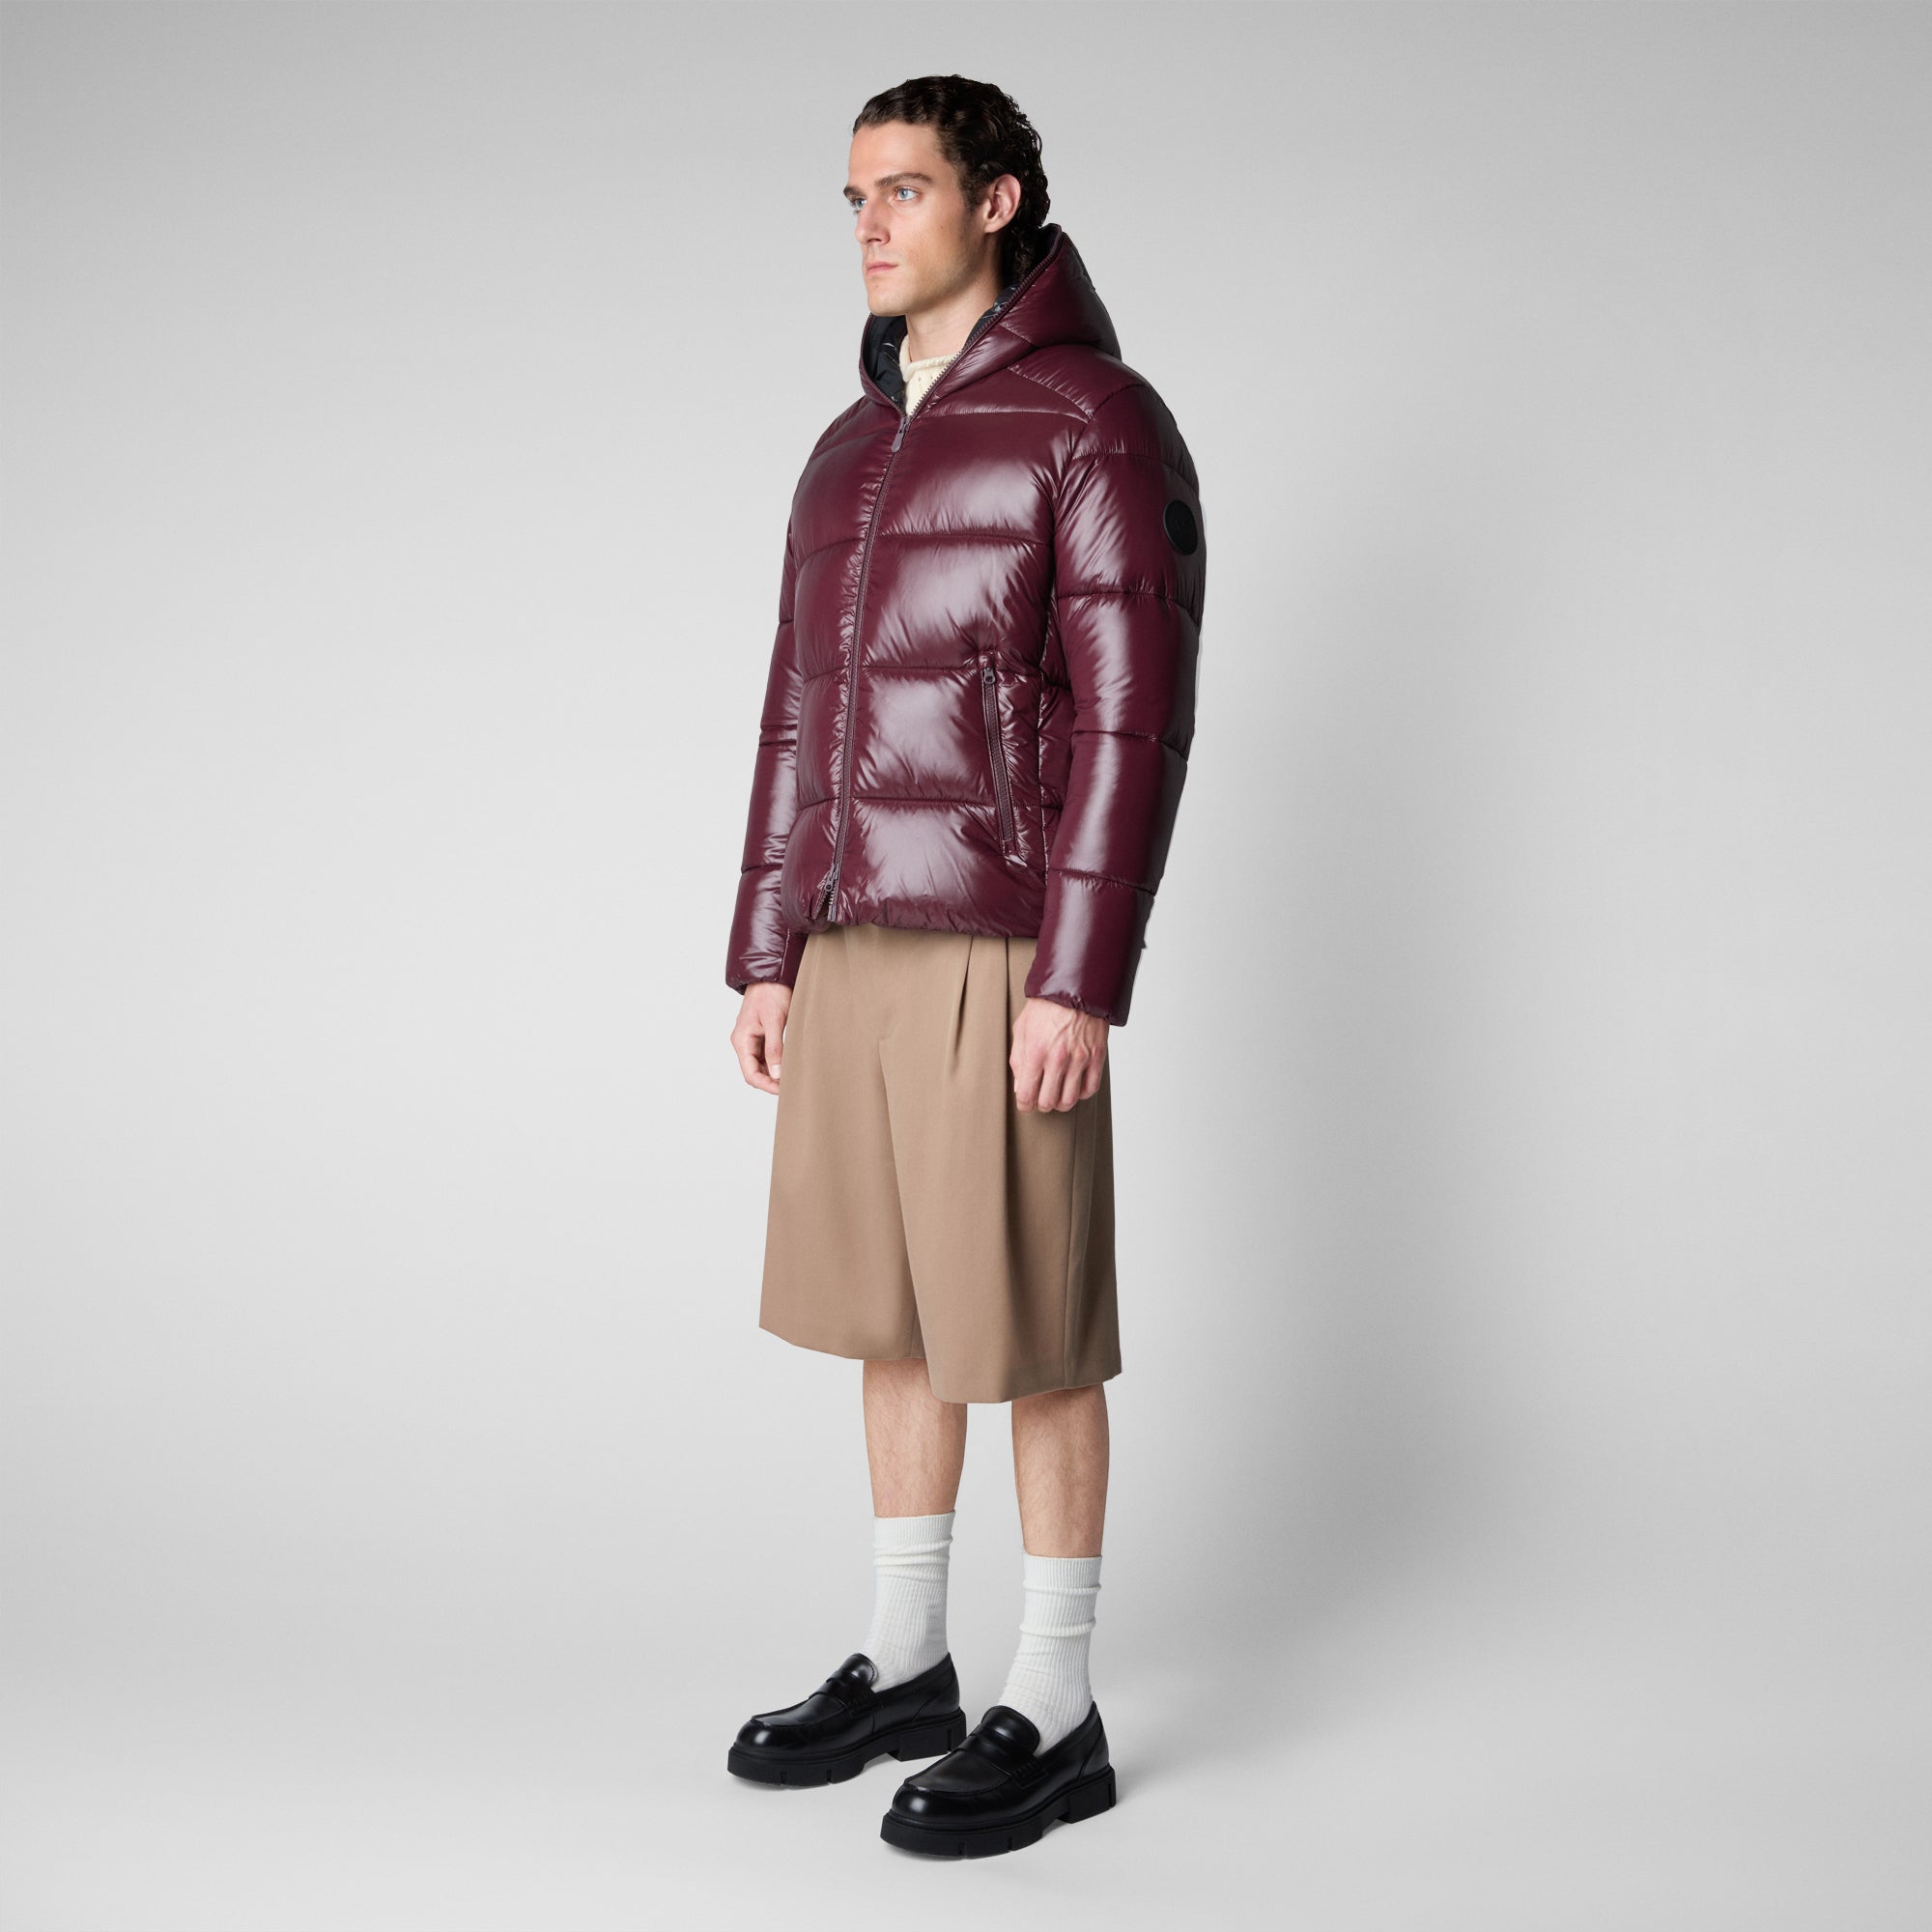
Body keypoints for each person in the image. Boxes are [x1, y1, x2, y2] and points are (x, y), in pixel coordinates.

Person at [722, 73, 1204, 1859]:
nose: (868, 224)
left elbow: (1135, 722)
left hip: (1005, 941)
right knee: (890, 1310)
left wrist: (1081, 974)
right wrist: (767, 946)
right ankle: (908, 1660)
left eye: (904, 190)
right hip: (851, 935)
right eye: (854, 194)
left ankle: (1055, 1703)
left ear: (998, 202)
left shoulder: (1096, 422)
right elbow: (795, 719)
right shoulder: (843, 453)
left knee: (1035, 1326)